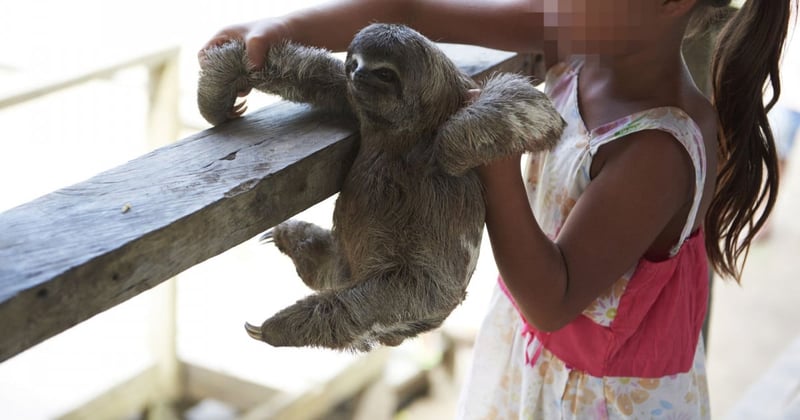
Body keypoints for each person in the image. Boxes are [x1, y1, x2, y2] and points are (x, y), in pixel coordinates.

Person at [201, 1, 795, 418]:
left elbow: (553, 299)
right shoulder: (583, 36)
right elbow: (414, 11)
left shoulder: (657, 149)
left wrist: (494, 153)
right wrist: (281, 29)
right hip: (527, 363)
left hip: (601, 401)